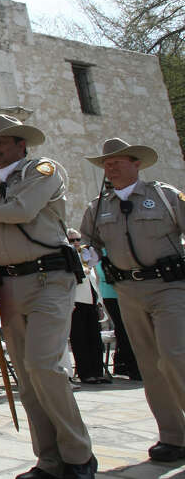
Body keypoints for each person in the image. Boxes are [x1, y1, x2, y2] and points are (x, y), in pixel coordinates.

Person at [0, 114, 96, 479]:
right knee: (27, 376)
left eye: (3, 141)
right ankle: (49, 460)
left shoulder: (43, 171)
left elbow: (23, 210)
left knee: (44, 365)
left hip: (49, 277)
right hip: (10, 286)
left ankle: (79, 455)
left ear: (22, 144)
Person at [80, 137, 185, 462]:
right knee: (150, 366)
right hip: (128, 291)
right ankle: (173, 436)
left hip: (169, 286)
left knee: (175, 355)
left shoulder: (165, 196)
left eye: (118, 161)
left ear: (136, 163)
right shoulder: (98, 208)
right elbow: (86, 239)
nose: (111, 167)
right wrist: (89, 253)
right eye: (107, 163)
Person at [67, 228, 108, 384]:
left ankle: (98, 372)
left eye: (78, 239)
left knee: (94, 337)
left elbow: (93, 270)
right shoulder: (67, 255)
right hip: (76, 300)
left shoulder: (85, 253)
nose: (76, 243)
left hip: (91, 299)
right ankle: (85, 373)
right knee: (80, 338)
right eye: (72, 240)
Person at [94, 255, 141, 380]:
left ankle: (122, 364)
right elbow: (100, 273)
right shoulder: (103, 252)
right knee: (124, 329)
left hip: (125, 292)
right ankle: (132, 367)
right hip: (112, 293)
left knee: (127, 329)